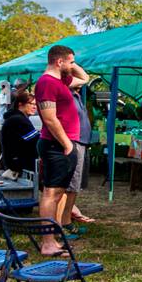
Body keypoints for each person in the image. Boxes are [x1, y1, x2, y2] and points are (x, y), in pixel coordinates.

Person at [34, 44, 88, 255]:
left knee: (57, 193)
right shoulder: (47, 82)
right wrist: (67, 144)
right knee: (51, 193)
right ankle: (47, 242)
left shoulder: (60, 81)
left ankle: (53, 239)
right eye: (71, 61)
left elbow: (84, 78)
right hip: (57, 145)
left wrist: (71, 64)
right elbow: (49, 117)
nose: (74, 66)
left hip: (64, 143)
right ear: (59, 62)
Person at [65, 81, 95, 226]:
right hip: (73, 142)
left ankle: (67, 218)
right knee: (70, 185)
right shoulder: (66, 95)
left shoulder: (76, 96)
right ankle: (64, 222)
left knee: (75, 185)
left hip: (81, 142)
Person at [0, 87, 39, 176]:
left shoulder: (17, 118)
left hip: (14, 162)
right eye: (31, 104)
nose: (35, 107)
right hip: (18, 164)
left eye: (36, 104)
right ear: (20, 104)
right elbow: (36, 140)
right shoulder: (18, 120)